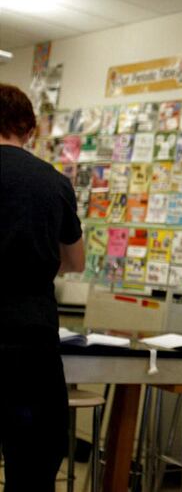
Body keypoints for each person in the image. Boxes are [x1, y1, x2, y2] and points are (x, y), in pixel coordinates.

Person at [0, 84, 85, 490]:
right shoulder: (53, 184)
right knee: (32, 462)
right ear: (30, 129)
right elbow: (75, 261)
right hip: (30, 339)